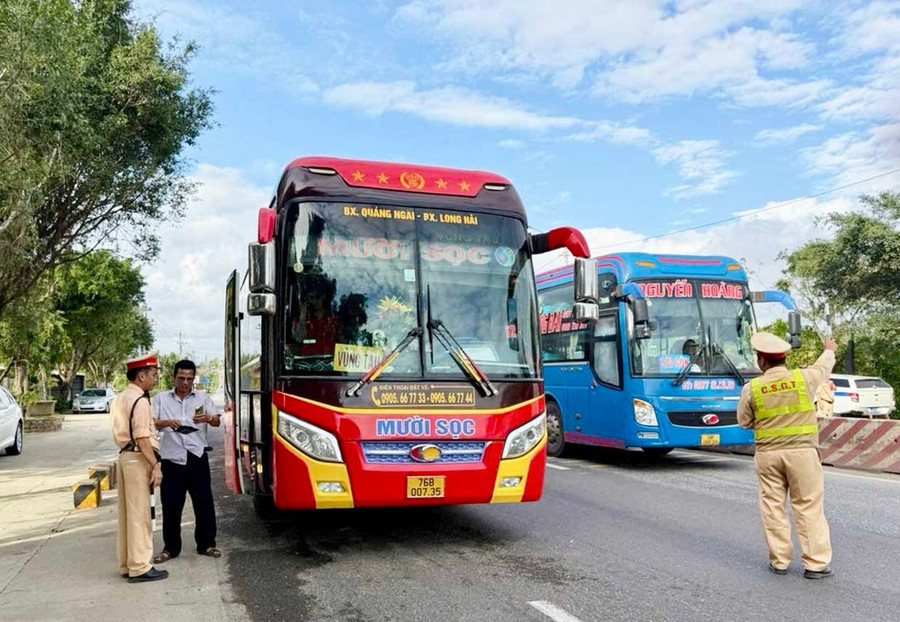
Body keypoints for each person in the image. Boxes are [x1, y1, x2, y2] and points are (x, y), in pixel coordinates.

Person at [737, 332, 837, 579]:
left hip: (769, 455)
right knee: (808, 506)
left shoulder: (752, 388)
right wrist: (829, 348)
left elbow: (744, 421)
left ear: (761, 360)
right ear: (783, 357)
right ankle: (815, 564)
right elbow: (823, 366)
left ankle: (780, 560)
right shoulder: (804, 378)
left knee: (773, 506)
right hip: (803, 453)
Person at [151, 360, 222, 563]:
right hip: (172, 458)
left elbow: (217, 421)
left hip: (197, 457)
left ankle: (207, 544)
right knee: (171, 505)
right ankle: (170, 549)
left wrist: (208, 418)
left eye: (189, 379)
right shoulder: (161, 399)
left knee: (204, 502)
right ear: (174, 377)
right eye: (181, 378)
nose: (185, 382)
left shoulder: (202, 397)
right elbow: (150, 423)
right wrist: (166, 423)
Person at [109, 351, 168, 583]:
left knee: (127, 514)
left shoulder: (120, 398)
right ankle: (140, 566)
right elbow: (143, 438)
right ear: (141, 376)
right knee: (140, 515)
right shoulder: (140, 401)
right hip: (138, 458)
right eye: (153, 374)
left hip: (125, 457)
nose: (154, 379)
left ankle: (127, 563)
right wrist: (156, 465)